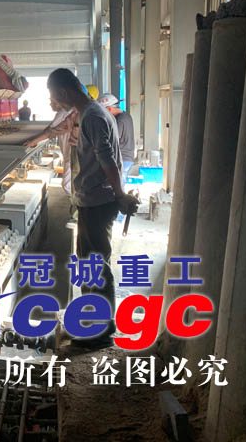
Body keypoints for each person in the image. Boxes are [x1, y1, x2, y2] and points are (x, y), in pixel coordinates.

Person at [46, 68, 138, 348]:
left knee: (95, 265)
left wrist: (120, 194)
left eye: (54, 96)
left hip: (98, 202)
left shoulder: (94, 117)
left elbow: (107, 160)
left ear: (64, 92)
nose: (54, 102)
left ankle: (99, 332)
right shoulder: (89, 113)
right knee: (88, 264)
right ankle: (93, 324)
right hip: (90, 200)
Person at [97, 93, 136, 182]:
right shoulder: (125, 116)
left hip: (122, 158)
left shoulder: (120, 120)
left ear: (109, 109)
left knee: (117, 185)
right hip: (124, 158)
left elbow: (112, 139)